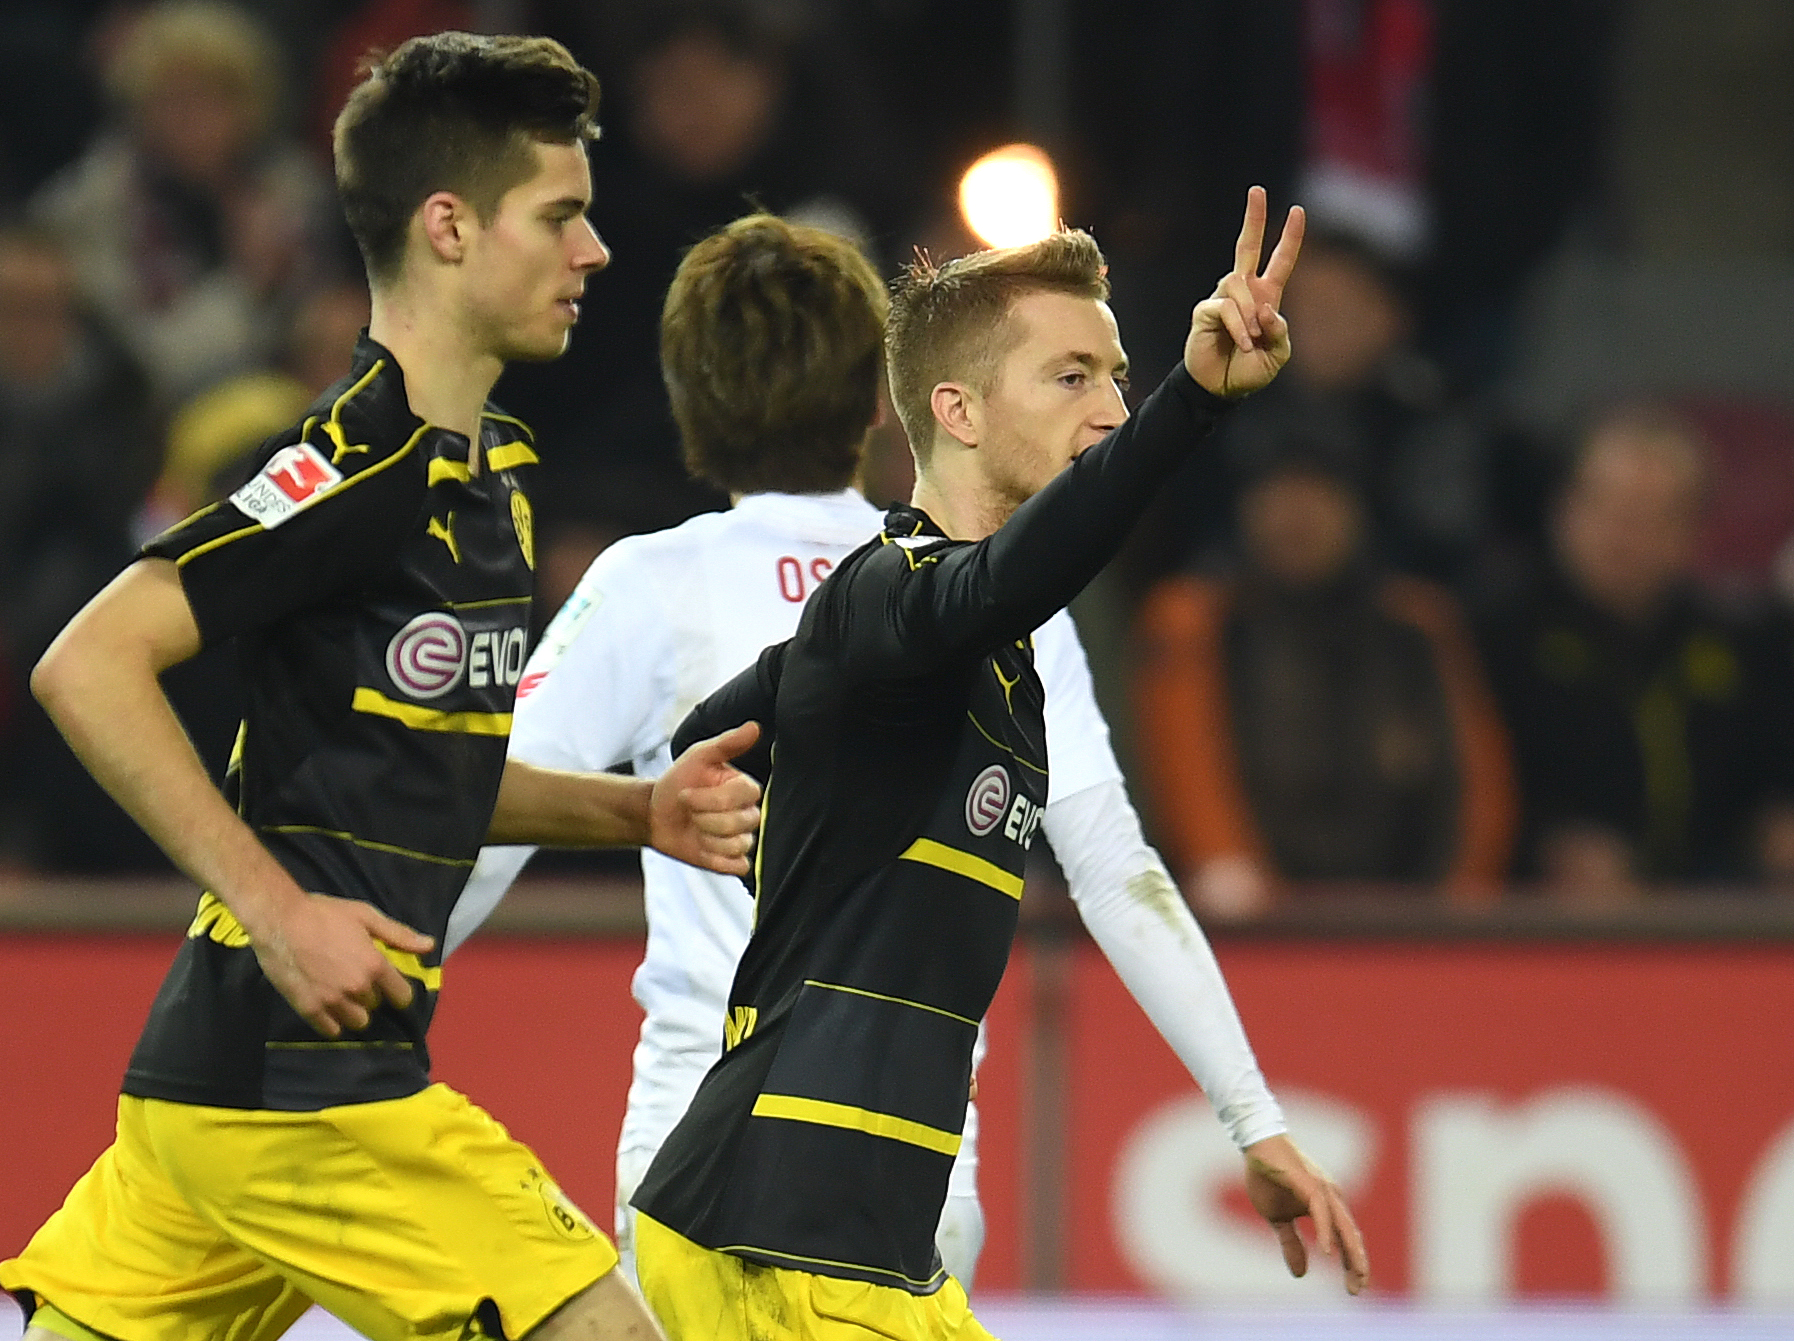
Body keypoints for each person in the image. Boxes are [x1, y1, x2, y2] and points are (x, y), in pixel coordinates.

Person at [1, 33, 762, 1341]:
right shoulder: (354, 467)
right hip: (304, 1090)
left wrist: (632, 815)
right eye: (561, 217)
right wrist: (282, 908)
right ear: (450, 227)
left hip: (220, 1087)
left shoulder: (493, 480)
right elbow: (87, 661)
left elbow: (424, 777)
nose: (594, 253)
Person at [451, 212, 1295, 1291]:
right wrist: (1250, 1116)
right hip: (923, 1181)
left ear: (688, 399)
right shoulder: (1006, 599)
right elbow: (1119, 878)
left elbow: (485, 806)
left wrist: (378, 987)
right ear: (878, 401)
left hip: (716, 1157)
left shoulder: (656, 580)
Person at [630, 191, 1371, 1341]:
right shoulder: (889, 600)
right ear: (957, 410)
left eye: (1121, 377)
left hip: (867, 1254)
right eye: (1071, 377)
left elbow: (720, 733)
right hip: (777, 1239)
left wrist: (1253, 1126)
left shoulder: (967, 658)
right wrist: (1192, 404)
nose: (1113, 407)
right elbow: (997, 583)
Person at [1133, 429, 1515, 919]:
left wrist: (1463, 900)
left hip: (1412, 923)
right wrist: (1223, 864)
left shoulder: (1418, 623)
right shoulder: (1195, 619)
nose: (1297, 516)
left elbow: (1476, 781)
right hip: (1252, 921)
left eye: (1320, 495)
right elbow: (1184, 765)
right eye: (1276, 496)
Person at [1480, 404, 1794, 897]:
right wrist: (1543, 845)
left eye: (1650, 518)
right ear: (1565, 510)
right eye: (1606, 508)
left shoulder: (1744, 641)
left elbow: (1771, 772)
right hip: (1531, 916)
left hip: (1712, 903)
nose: (1622, 537)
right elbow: (1461, 786)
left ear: (1694, 533)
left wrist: (1775, 824)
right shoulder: (1493, 634)